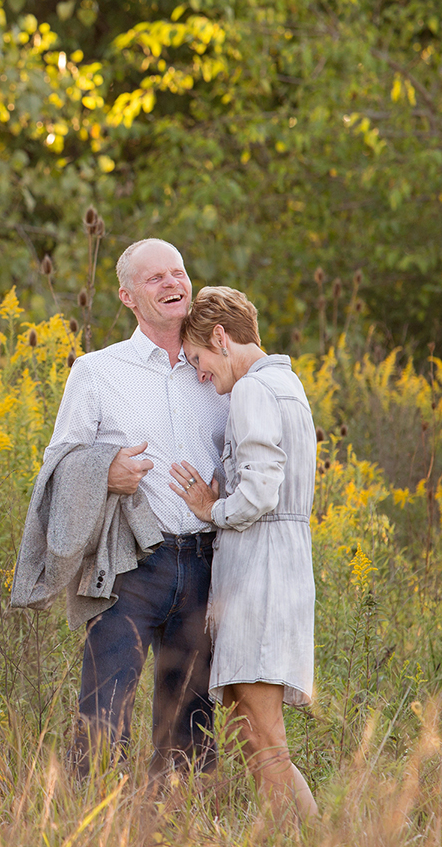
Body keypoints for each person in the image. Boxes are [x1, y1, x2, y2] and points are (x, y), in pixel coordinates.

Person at [14, 237, 228, 779]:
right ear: (128, 296)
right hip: (129, 564)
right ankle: (90, 821)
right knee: (103, 715)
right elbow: (57, 465)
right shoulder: (97, 371)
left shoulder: (219, 370)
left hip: (206, 563)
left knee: (191, 722)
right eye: (155, 278)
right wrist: (104, 469)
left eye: (178, 272)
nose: (173, 284)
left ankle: (179, 827)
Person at [167, 285, 319, 824]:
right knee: (247, 731)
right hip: (277, 566)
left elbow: (260, 492)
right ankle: (312, 834)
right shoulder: (287, 384)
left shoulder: (255, 392)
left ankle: (307, 837)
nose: (201, 373)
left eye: (200, 360)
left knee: (262, 734)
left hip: (261, 574)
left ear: (221, 336)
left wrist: (211, 508)